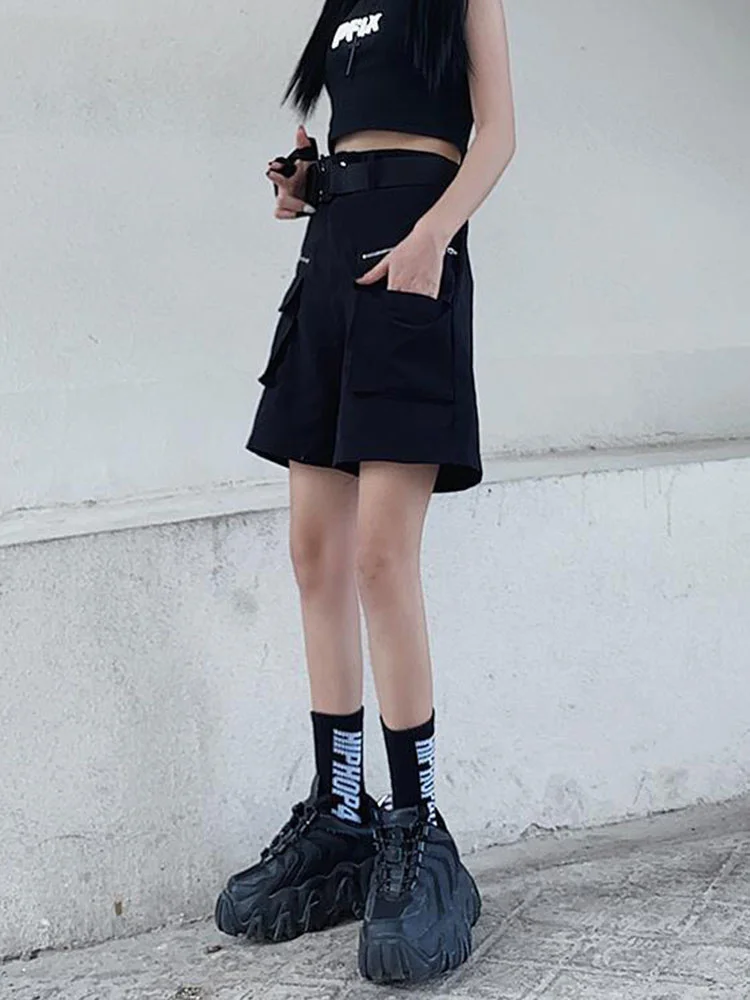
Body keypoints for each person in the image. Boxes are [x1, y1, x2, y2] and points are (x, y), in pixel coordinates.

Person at [214, 0, 516, 985]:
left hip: (412, 257)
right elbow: (360, 133)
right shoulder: (343, 6)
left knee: (383, 558)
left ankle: (415, 826)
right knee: (316, 555)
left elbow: (498, 133)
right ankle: (341, 812)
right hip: (331, 259)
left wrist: (434, 233)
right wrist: (309, 184)